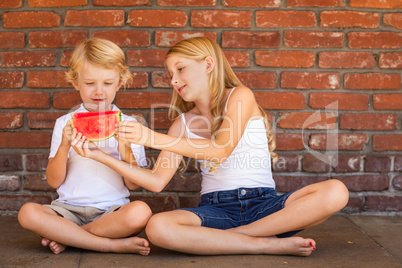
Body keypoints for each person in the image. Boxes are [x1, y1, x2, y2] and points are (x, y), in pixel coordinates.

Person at [74, 37, 349, 256]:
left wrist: (149, 137)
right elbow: (156, 182)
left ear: (208, 64)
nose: (174, 80)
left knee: (335, 191)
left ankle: (228, 240)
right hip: (216, 210)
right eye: (171, 73)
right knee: (158, 226)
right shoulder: (182, 123)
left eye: (180, 69)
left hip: (264, 205)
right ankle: (265, 243)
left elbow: (221, 149)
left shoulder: (240, 97)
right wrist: (101, 156)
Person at [18, 37, 152, 255]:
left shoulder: (130, 125)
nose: (99, 92)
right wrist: (64, 146)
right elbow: (54, 181)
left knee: (140, 212)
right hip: (67, 210)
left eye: (107, 83)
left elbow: (134, 185)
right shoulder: (64, 123)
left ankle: (69, 237)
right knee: (27, 213)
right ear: (76, 83)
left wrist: (125, 148)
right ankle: (109, 245)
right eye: (90, 83)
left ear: (119, 83)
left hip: (111, 211)